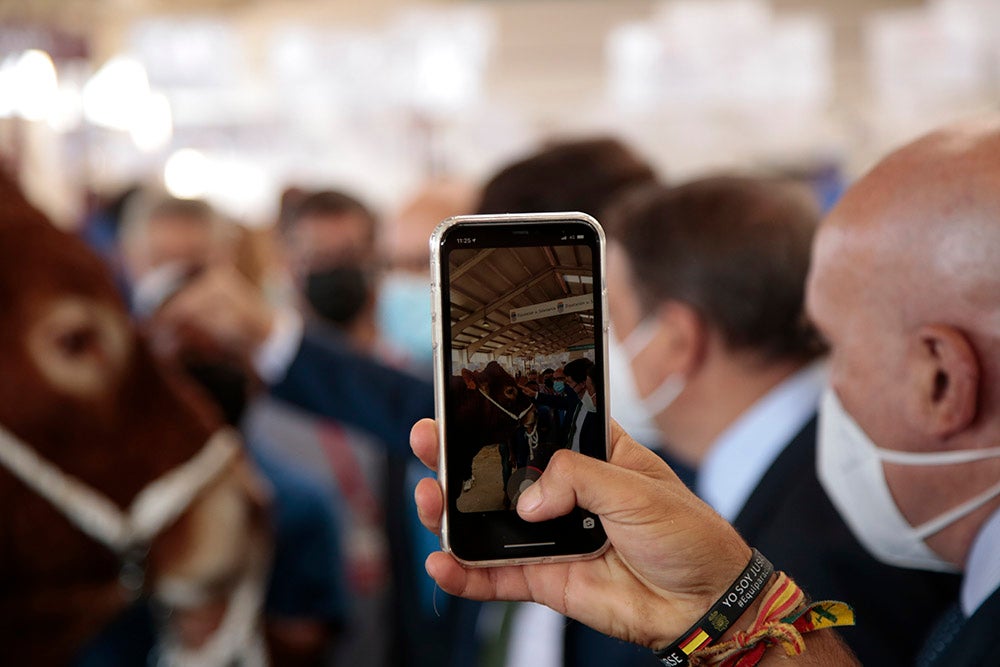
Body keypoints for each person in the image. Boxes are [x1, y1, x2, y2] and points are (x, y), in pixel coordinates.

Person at [411, 117, 1000, 666]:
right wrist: (725, 613)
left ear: (942, 377)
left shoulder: (827, 544)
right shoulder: (708, 503)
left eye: (835, 342)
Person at [603, 175, 959, 664]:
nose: (607, 351)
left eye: (613, 321)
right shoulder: (831, 476)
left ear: (678, 341)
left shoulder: (820, 549)